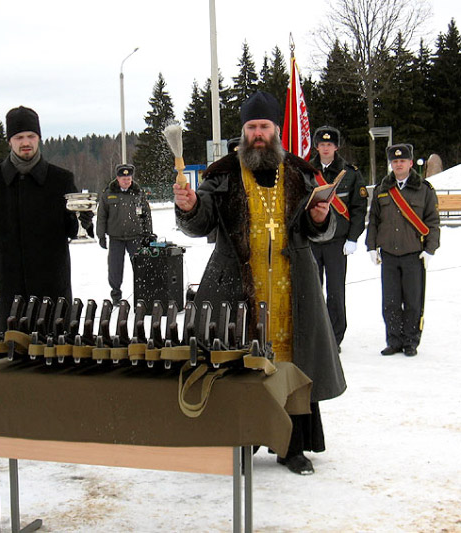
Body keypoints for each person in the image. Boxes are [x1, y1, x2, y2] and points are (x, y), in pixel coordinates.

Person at [174, 91, 346, 475]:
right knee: (239, 365)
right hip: (236, 290)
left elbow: (316, 229)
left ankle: (292, 446)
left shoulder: (301, 173)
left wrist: (319, 217)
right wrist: (189, 208)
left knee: (291, 365)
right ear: (244, 131)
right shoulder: (222, 174)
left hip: (291, 290)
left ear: (276, 131)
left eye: (263, 127)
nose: (256, 134)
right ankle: (243, 442)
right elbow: (200, 221)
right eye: (250, 127)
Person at [0, 105, 86, 319]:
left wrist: (82, 219)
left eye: (31, 136)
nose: (25, 142)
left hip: (52, 286)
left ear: (38, 138)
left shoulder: (61, 180)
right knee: (12, 348)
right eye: (19, 137)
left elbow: (72, 229)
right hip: (8, 284)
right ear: (9, 141)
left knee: (52, 347)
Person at [365, 143, 440, 357]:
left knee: (413, 301)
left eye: (402, 161)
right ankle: (394, 340)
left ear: (410, 163)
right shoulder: (382, 189)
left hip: (413, 254)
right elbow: (374, 221)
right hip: (389, 254)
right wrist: (371, 246)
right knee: (390, 301)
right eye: (394, 161)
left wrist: (430, 249)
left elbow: (433, 222)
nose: (398, 164)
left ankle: (410, 341)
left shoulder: (423, 189)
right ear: (391, 164)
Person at [309, 126, 368, 351]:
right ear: (317, 147)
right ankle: (316, 335)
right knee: (314, 290)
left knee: (335, 291)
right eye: (322, 144)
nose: (325, 148)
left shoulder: (350, 173)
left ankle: (335, 337)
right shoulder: (307, 171)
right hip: (313, 240)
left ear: (336, 147)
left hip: (337, 243)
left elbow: (358, 208)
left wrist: (353, 238)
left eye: (330, 144)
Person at [96, 163, 153, 305]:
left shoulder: (138, 193)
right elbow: (101, 216)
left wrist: (148, 233)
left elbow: (146, 214)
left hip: (135, 237)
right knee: (115, 269)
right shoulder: (108, 194)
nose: (126, 181)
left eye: (129, 178)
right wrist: (101, 235)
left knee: (140, 268)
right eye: (124, 179)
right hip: (116, 238)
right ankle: (116, 295)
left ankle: (142, 294)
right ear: (118, 178)